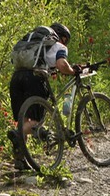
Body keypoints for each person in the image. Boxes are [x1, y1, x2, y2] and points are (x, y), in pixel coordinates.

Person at [8, 23, 79, 170]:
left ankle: (20, 160)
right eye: (65, 40)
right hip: (34, 79)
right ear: (62, 37)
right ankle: (16, 134)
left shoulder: (30, 43)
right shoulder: (57, 45)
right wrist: (73, 71)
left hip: (16, 78)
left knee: (23, 121)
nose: (65, 43)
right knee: (34, 122)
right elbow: (62, 64)